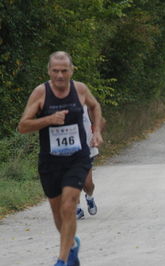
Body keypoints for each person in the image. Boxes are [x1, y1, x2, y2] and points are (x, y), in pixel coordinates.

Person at [18, 51, 103, 266]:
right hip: (50, 160)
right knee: (58, 213)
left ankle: (62, 260)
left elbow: (95, 106)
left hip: (77, 157)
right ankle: (72, 246)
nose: (60, 75)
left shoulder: (80, 89)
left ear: (71, 71)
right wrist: (48, 119)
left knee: (68, 205)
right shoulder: (41, 93)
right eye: (55, 71)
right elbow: (23, 126)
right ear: (49, 71)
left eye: (64, 71)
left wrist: (97, 131)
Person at [76, 105, 106, 220]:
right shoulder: (59, 107)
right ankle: (77, 208)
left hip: (87, 149)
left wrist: (96, 134)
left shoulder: (86, 106)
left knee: (88, 184)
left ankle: (89, 197)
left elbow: (102, 121)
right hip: (69, 151)